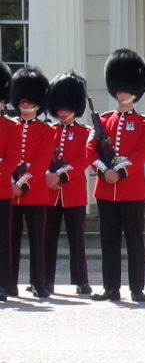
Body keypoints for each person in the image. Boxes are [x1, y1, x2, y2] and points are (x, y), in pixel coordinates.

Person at [88, 48, 145, 303]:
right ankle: (110, 288)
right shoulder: (104, 121)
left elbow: (143, 153)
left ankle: (137, 288)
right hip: (106, 189)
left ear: (135, 90)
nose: (122, 91)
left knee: (134, 242)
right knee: (109, 241)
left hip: (132, 190)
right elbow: (90, 149)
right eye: (119, 87)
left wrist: (120, 171)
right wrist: (104, 170)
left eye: (126, 87)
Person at [43, 72, 93, 296]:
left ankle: (81, 281)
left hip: (73, 193)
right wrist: (47, 175)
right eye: (59, 107)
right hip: (50, 193)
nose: (62, 112)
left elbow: (84, 159)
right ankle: (45, 280)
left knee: (77, 240)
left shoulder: (85, 133)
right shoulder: (49, 131)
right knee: (47, 238)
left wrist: (62, 176)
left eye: (66, 107)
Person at [9, 66, 55, 298]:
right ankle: (9, 282)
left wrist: (22, 184)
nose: (25, 104)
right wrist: (10, 182)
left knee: (38, 240)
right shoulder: (8, 126)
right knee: (9, 241)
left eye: (30, 100)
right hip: (9, 192)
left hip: (34, 192)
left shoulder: (47, 130)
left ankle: (39, 282)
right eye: (22, 100)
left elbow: (42, 162)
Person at [0, 63, 20, 301]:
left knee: (2, 240)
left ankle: (3, 284)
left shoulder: (10, 127)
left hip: (2, 190)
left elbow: (13, 158)